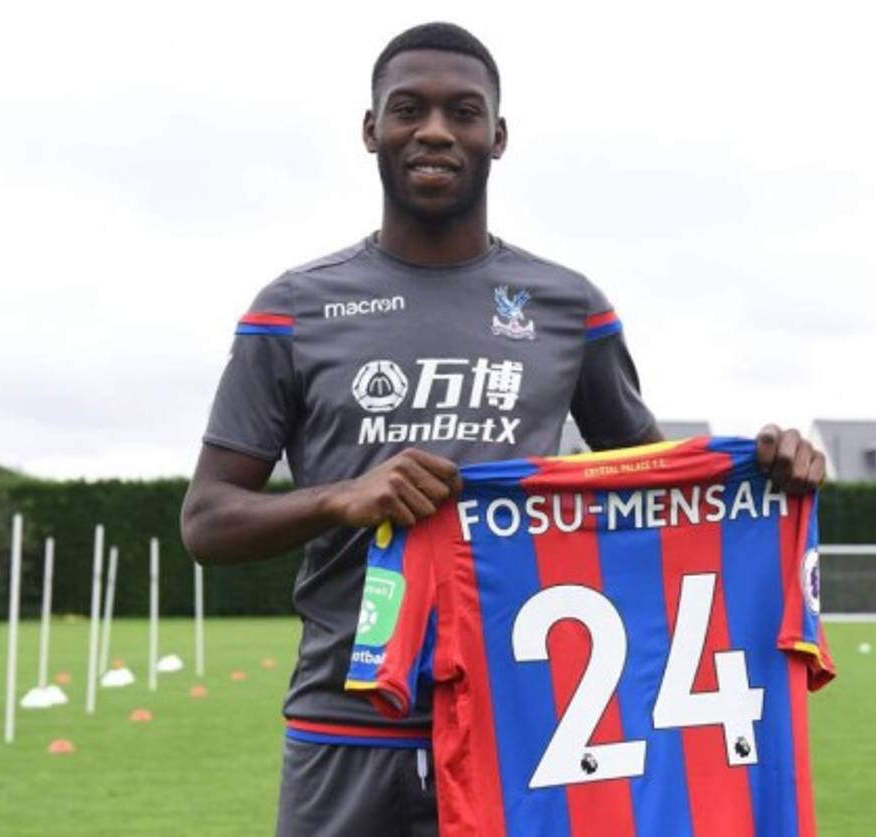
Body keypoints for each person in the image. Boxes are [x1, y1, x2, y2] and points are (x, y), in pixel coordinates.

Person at [181, 21, 826, 836]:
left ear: (499, 135)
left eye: (464, 112)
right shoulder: (293, 309)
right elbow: (206, 521)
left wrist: (764, 474)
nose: (435, 131)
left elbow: (660, 496)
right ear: (371, 128)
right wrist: (342, 497)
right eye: (409, 109)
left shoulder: (567, 307)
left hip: (527, 732)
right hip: (347, 728)